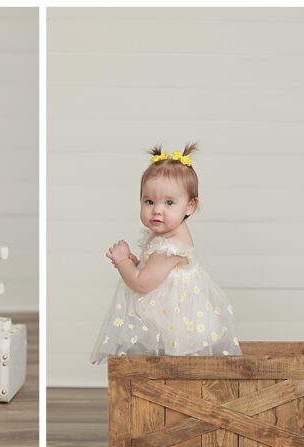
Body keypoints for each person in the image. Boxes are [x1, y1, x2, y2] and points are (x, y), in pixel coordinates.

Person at [90, 143, 241, 364]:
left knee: (171, 366)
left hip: (178, 325)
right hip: (169, 319)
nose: (157, 210)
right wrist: (136, 262)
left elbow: (142, 284)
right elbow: (153, 270)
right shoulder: (168, 234)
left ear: (190, 206)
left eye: (169, 202)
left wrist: (123, 261)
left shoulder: (172, 247)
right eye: (149, 201)